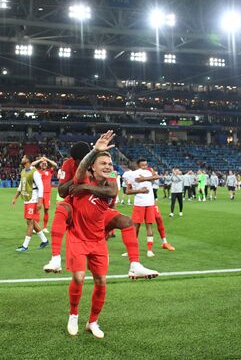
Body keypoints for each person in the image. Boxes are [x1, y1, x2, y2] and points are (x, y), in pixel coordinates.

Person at [43, 145, 158, 279]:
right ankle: (56, 258)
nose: (81, 163)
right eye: (79, 161)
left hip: (96, 206)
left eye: (108, 163)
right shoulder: (71, 165)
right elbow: (62, 191)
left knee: (126, 221)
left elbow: (113, 191)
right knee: (62, 209)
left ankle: (135, 265)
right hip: (76, 204)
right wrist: (77, 181)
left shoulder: (109, 171)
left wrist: (85, 187)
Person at [65, 130, 115, 339]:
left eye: (110, 164)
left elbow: (110, 193)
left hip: (97, 240)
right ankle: (74, 315)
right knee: (78, 277)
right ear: (93, 167)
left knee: (101, 282)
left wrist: (85, 188)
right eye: (102, 163)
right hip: (77, 236)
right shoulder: (83, 175)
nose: (107, 167)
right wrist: (95, 150)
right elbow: (81, 170)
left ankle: (92, 321)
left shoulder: (112, 183)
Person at [126, 159, 174, 257]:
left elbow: (156, 177)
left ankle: (161, 244)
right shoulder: (131, 174)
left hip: (150, 202)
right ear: (137, 165)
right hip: (140, 203)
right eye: (143, 165)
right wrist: (140, 190)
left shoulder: (148, 171)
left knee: (156, 221)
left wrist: (144, 179)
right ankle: (132, 250)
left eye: (146, 164)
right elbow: (128, 191)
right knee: (137, 226)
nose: (145, 166)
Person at [11, 155, 49, 251]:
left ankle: (25, 246)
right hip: (27, 199)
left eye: (24, 158)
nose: (22, 159)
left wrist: (40, 201)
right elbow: (21, 185)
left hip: (33, 198)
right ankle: (44, 241)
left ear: (28, 160)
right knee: (31, 221)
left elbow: (41, 186)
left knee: (29, 221)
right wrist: (15, 197)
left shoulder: (34, 172)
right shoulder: (23, 171)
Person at [32, 156, 58, 233]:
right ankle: (35, 228)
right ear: (40, 164)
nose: (44, 164)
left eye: (45, 163)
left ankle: (45, 227)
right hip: (39, 193)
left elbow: (55, 165)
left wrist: (47, 159)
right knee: (37, 210)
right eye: (42, 163)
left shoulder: (49, 171)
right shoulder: (36, 171)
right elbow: (32, 164)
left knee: (46, 210)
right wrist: (40, 160)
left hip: (47, 193)